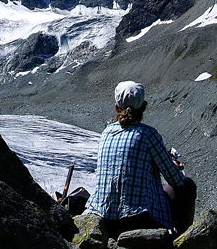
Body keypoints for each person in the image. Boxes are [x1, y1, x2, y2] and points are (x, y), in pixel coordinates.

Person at [84, 80, 196, 237]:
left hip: (106, 219)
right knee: (188, 186)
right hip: (140, 218)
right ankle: (181, 240)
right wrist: (173, 165)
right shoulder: (147, 134)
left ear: (117, 107)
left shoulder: (106, 133)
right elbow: (175, 179)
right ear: (143, 107)